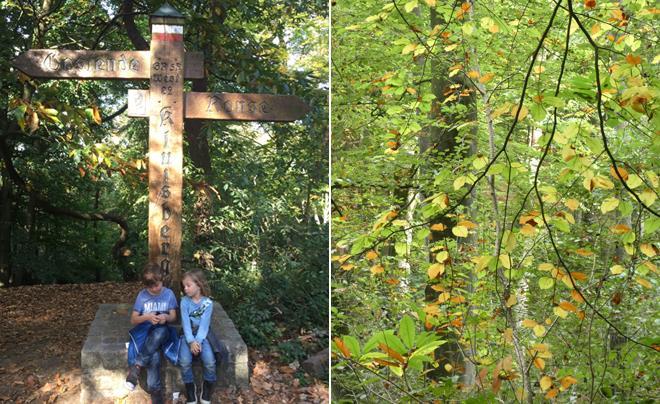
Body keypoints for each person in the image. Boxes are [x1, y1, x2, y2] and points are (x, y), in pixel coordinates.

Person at [125, 263, 179, 404]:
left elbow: (173, 317)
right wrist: (147, 317)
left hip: (163, 331)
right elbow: (134, 319)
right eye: (151, 287)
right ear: (146, 286)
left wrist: (165, 317)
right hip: (146, 334)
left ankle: (136, 366)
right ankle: (156, 394)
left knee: (159, 333)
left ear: (162, 279)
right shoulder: (142, 296)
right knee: (154, 355)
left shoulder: (168, 294)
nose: (155, 289)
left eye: (158, 284)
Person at [179, 269, 217, 404]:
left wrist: (198, 341)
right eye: (184, 286)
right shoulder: (184, 301)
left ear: (199, 285)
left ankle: (207, 387)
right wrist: (190, 342)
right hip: (187, 335)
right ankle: (190, 387)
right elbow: (185, 323)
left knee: (210, 362)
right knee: (184, 362)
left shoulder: (208, 303)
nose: (185, 288)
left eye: (188, 285)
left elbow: (205, 325)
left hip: (202, 335)